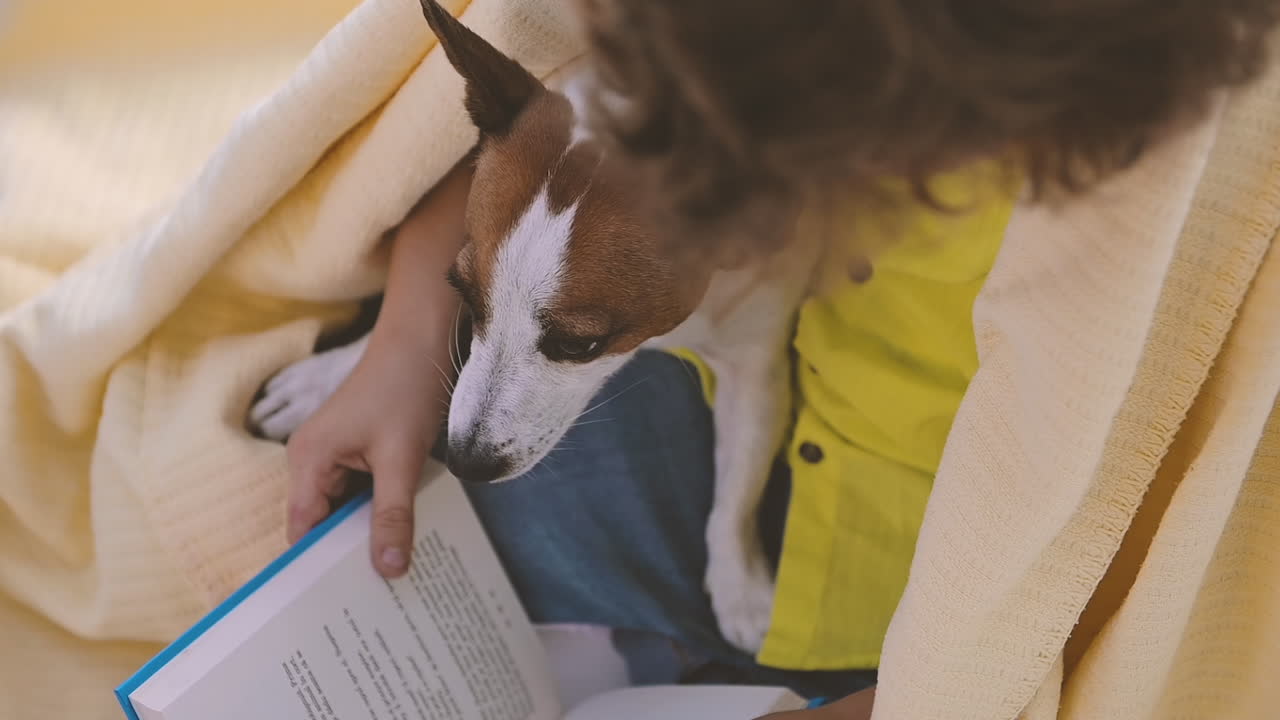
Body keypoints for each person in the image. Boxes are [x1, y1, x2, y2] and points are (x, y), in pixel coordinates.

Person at [284, 1, 1280, 717]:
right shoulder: (706, 58)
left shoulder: (1163, 221)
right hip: (688, 447)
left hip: (904, 605)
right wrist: (411, 336)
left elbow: (1147, 624)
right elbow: (520, 91)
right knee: (311, 532)